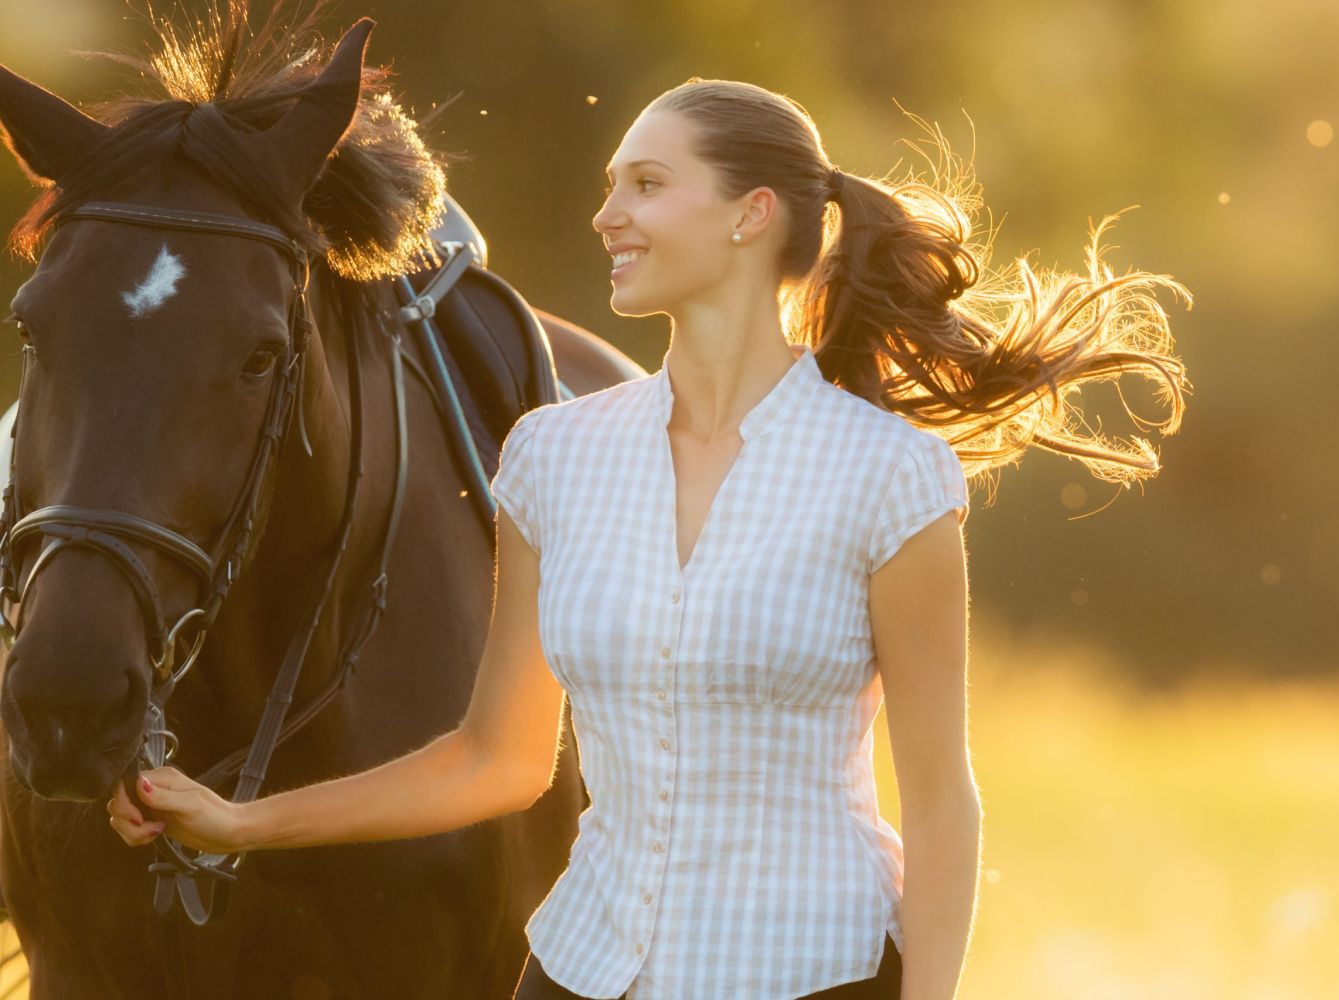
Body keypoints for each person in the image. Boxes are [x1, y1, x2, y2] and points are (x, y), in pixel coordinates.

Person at [108, 78, 1190, 999]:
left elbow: (942, 798)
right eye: (611, 183)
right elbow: (498, 758)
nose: (606, 215)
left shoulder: (890, 475)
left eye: (647, 184)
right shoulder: (550, 457)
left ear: (750, 215)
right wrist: (241, 823)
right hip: (583, 969)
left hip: (815, 970)